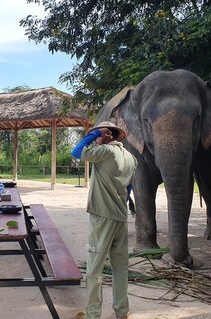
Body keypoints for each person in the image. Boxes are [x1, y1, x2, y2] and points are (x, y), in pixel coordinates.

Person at [71, 121, 137, 319]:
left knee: (94, 269)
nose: (94, 139)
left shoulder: (106, 152)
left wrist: (95, 135)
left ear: (108, 135)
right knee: (120, 268)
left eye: (98, 135)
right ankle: (122, 312)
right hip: (120, 218)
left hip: (102, 218)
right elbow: (129, 189)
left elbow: (77, 152)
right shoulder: (131, 158)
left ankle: (92, 314)